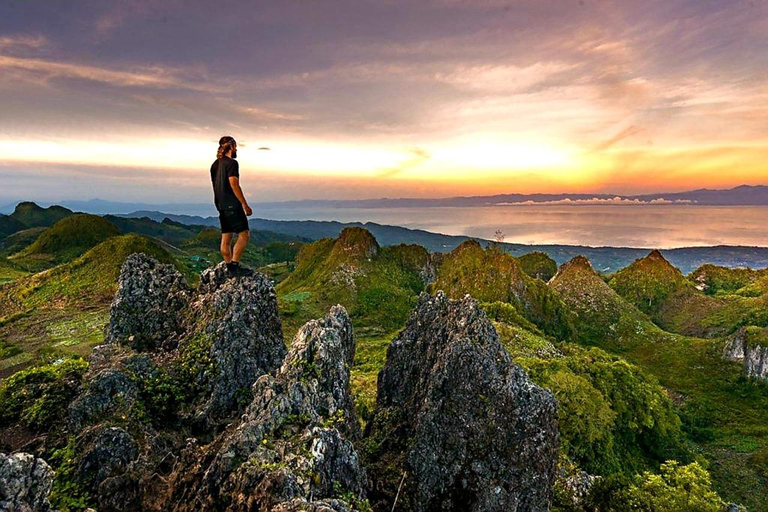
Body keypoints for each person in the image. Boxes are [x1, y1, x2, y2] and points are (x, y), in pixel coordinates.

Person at [210, 136, 254, 276]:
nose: (236, 150)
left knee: (226, 237)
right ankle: (234, 266)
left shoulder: (214, 165)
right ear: (232, 147)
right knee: (244, 235)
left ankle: (229, 267)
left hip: (221, 205)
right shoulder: (232, 163)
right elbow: (234, 184)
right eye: (235, 147)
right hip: (232, 205)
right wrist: (244, 204)